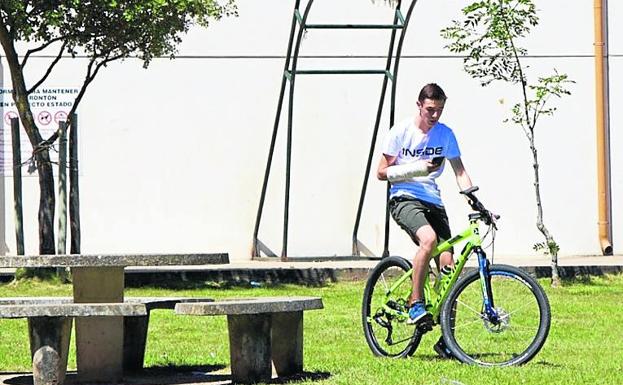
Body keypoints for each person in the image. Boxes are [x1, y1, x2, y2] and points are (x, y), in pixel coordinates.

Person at [376, 83, 473, 358]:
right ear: (419, 105)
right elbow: (382, 173)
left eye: (440, 110)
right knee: (428, 239)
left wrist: (474, 199)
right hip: (404, 196)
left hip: (433, 200)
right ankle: (415, 302)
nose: (435, 115)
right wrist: (418, 168)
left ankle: (447, 341)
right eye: (430, 109)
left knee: (449, 267)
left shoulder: (446, 135)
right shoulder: (401, 132)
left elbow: (460, 171)